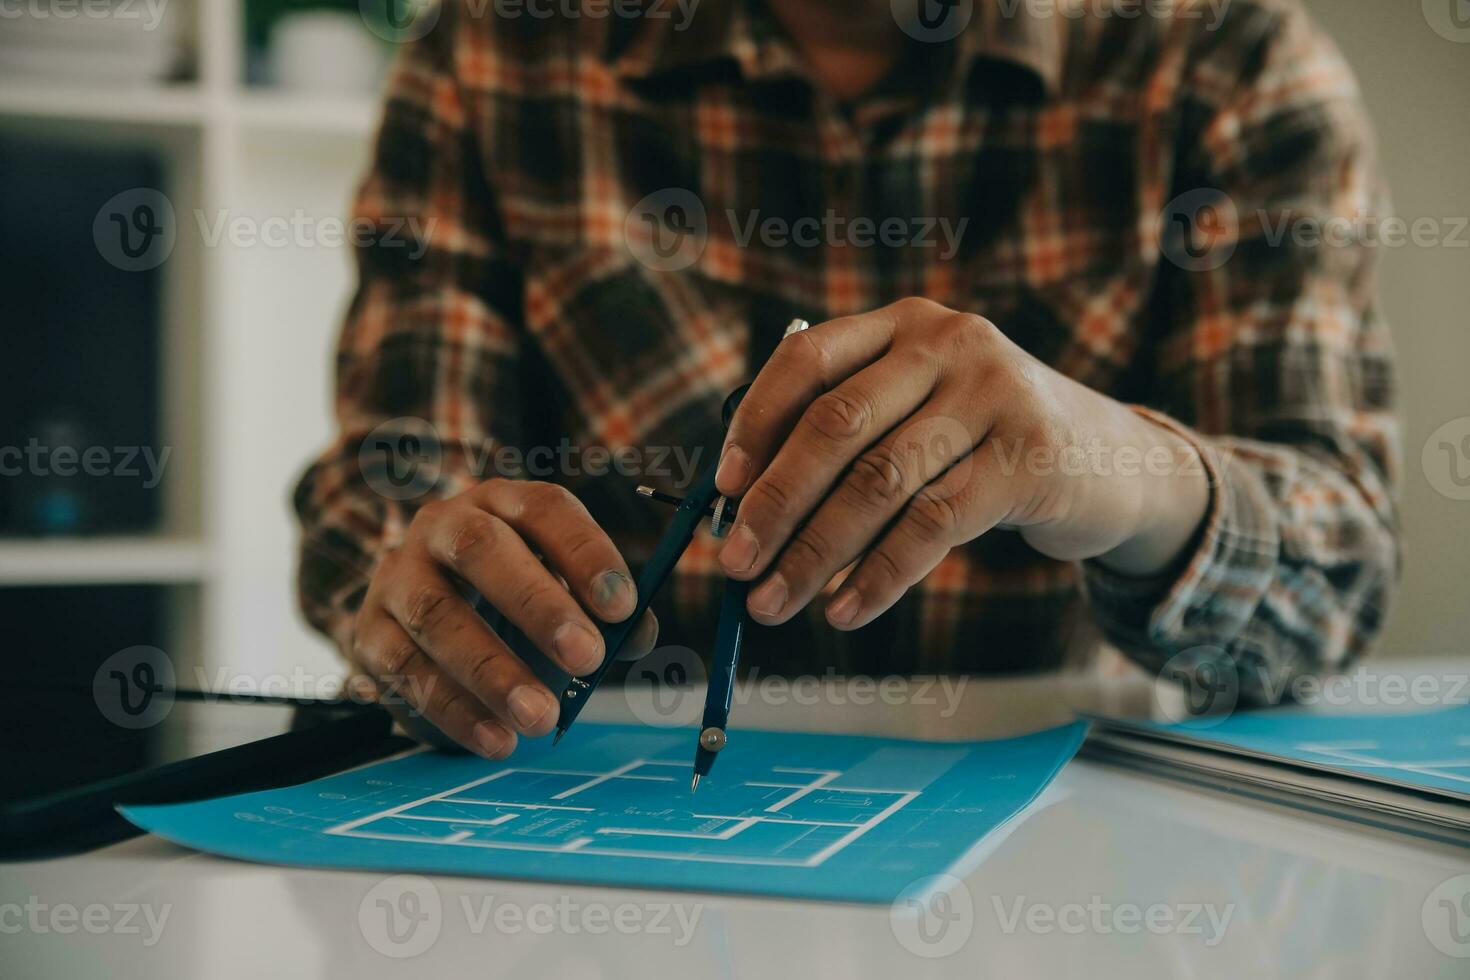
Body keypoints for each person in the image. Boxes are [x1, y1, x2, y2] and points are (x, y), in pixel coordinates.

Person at [294, 0, 1400, 759]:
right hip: (580, 855)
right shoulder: (498, 48)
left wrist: (1109, 460)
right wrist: (417, 592)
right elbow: (391, 482)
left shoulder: (1232, 57)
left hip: (1073, 855)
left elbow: (1333, 571)